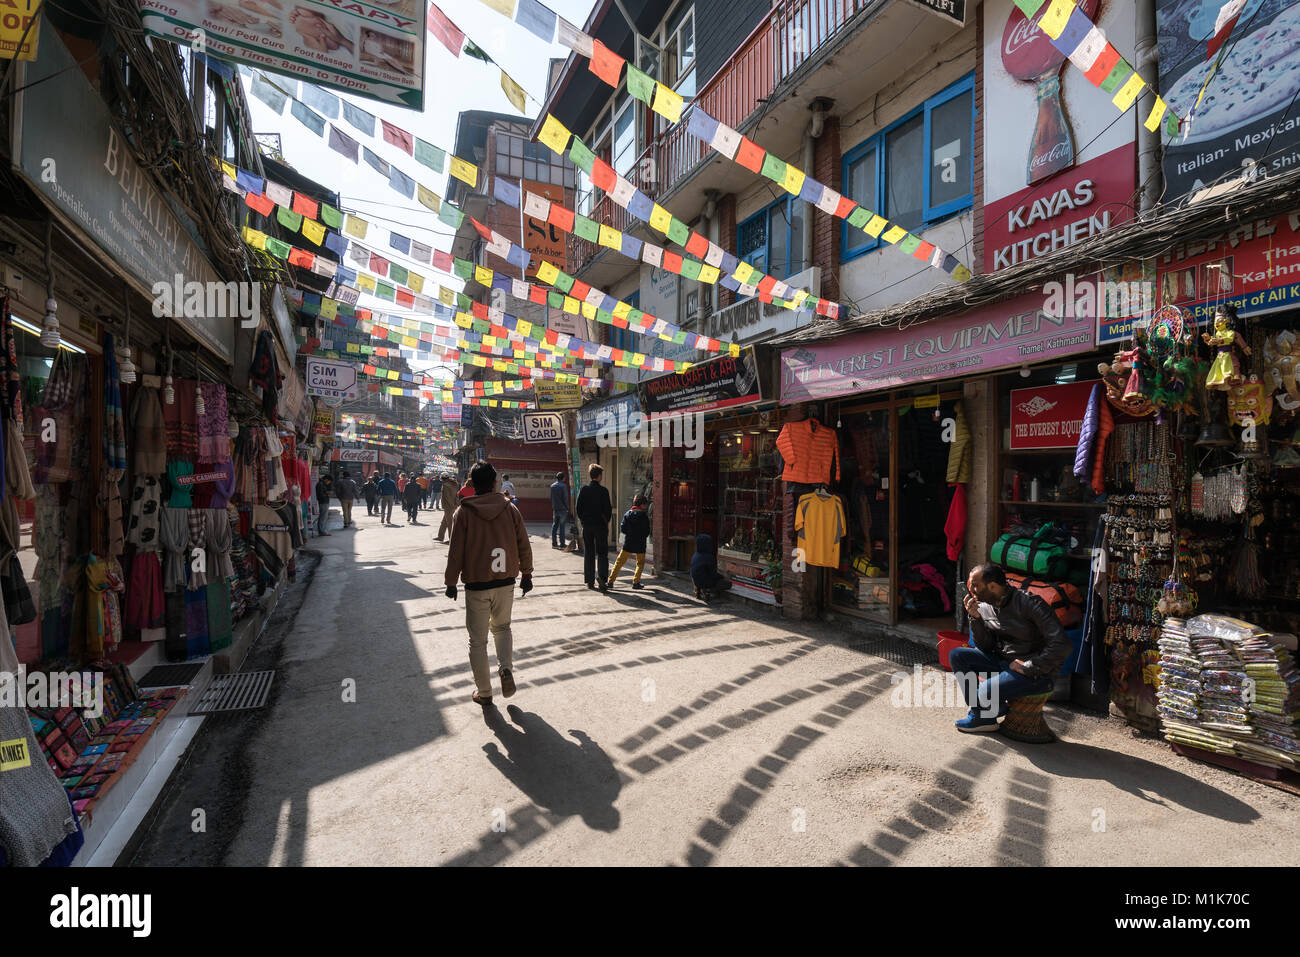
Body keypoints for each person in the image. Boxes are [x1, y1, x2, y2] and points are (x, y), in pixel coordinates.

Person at [444, 462, 534, 706]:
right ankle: (505, 668)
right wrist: (527, 574)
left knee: (478, 641)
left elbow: (455, 552)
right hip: (506, 582)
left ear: (472, 484)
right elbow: (523, 544)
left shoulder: (463, 512)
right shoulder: (510, 509)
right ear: (495, 483)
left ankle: (484, 692)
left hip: (477, 586)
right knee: (502, 628)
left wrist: (451, 582)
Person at [950, 562, 1074, 733]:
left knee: (986, 690)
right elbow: (985, 646)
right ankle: (983, 714)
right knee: (958, 655)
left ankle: (985, 711)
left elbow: (1062, 644)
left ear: (992, 586)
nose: (972, 591)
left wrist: (1030, 666)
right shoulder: (986, 604)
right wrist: (975, 619)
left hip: (1036, 673)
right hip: (1004, 663)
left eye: (975, 586)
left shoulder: (1029, 603)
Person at [575, 463, 612, 591]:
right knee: (602, 553)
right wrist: (605, 521)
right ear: (599, 476)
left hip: (587, 526)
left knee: (589, 553)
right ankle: (602, 578)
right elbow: (608, 510)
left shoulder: (583, 490)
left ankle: (590, 580)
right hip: (600, 526)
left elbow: (578, 508)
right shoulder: (603, 491)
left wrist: (584, 521)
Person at [607, 493, 650, 589]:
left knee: (619, 562)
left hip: (629, 542)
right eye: (645, 504)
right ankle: (636, 582)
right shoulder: (644, 516)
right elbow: (647, 531)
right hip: (640, 543)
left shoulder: (628, 514)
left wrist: (630, 533)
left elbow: (623, 528)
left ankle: (610, 581)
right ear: (642, 504)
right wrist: (642, 536)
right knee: (640, 563)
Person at [690, 534, 731, 601]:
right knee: (728, 584)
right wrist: (722, 577)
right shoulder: (708, 557)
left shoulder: (695, 554)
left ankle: (700, 590)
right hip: (705, 582)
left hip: (695, 581)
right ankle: (707, 590)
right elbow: (713, 574)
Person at [549, 471, 569, 550]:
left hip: (555, 508)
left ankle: (554, 544)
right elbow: (565, 498)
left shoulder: (552, 486)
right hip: (563, 508)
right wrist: (567, 507)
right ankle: (562, 544)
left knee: (554, 526)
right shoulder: (563, 486)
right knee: (562, 526)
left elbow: (551, 497)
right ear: (563, 478)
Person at [436, 474, 459, 542]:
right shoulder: (453, 484)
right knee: (444, 522)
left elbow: (447, 497)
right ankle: (440, 536)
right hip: (452, 505)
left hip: (448, 506)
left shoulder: (445, 485)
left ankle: (451, 539)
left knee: (449, 523)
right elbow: (456, 495)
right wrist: (455, 504)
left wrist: (451, 505)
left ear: (443, 479)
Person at [313, 472, 334, 537]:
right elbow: (320, 495)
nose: (329, 483)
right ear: (326, 479)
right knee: (323, 517)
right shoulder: (320, 484)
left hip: (324, 502)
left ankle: (322, 530)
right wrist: (327, 494)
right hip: (323, 502)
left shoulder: (321, 484)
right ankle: (322, 531)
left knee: (323, 517)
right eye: (329, 481)